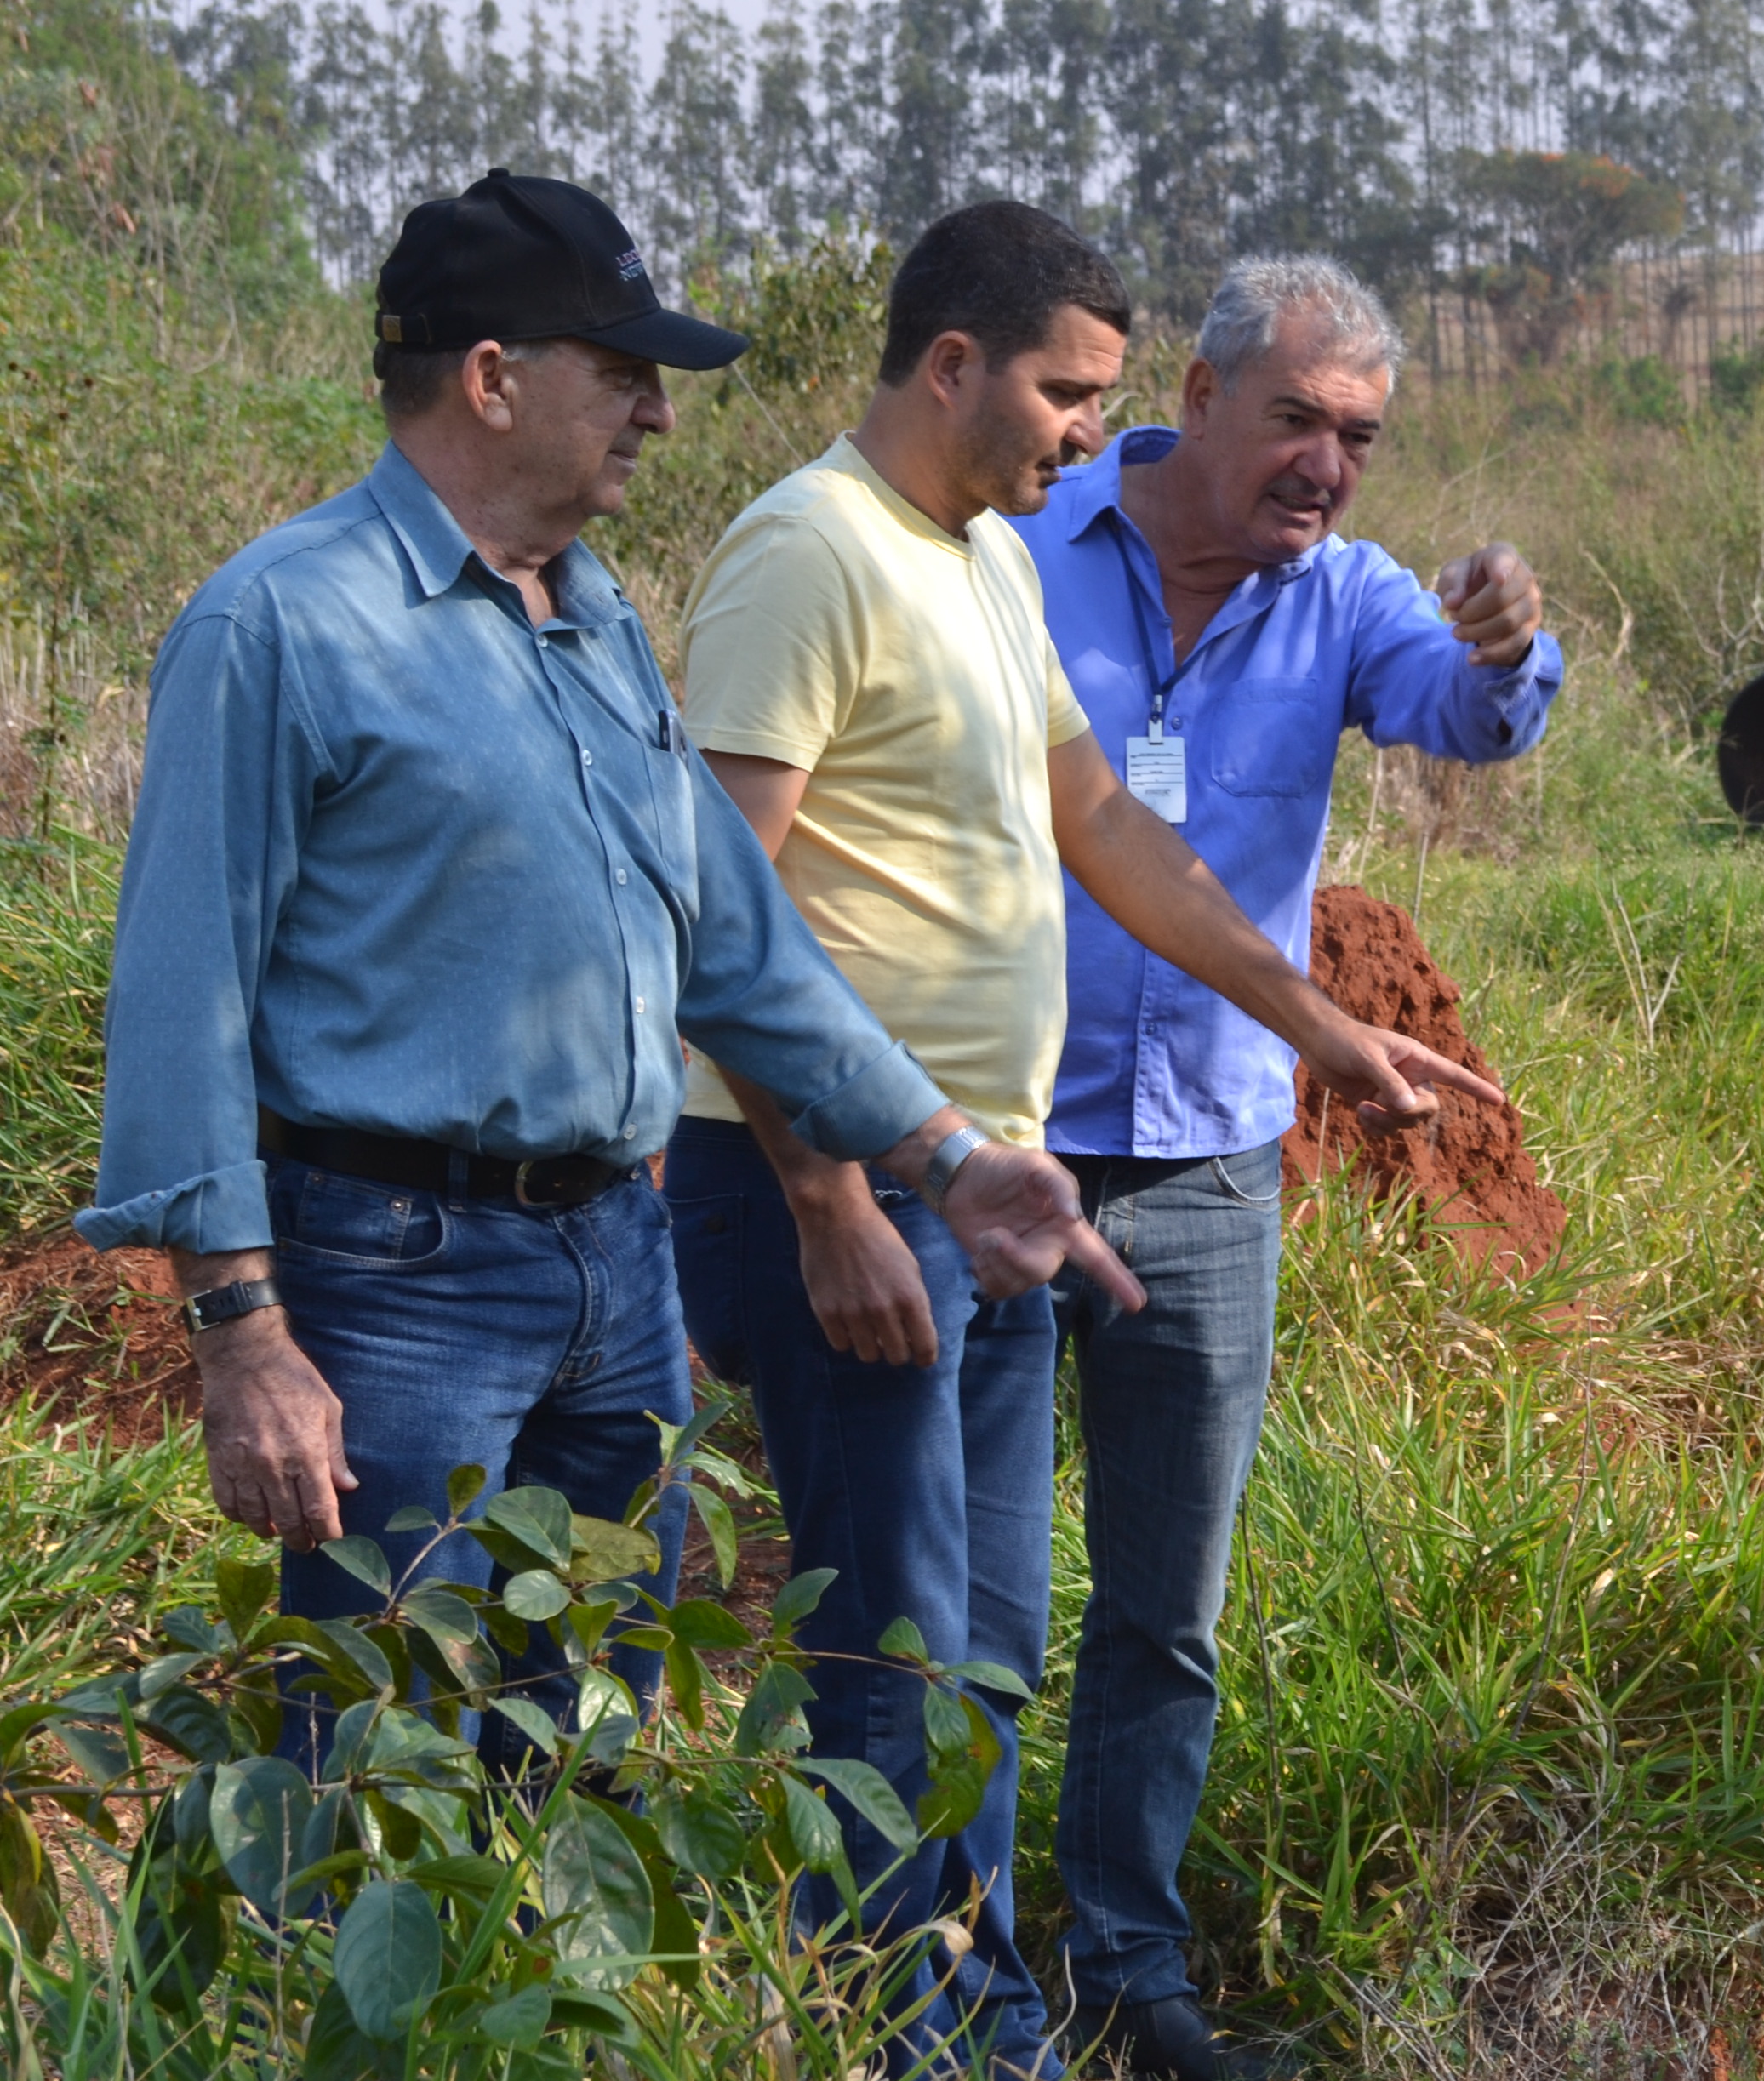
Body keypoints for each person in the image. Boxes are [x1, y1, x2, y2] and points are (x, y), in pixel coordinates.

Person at [78, 168, 1127, 1703]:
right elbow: (182, 996)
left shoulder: (595, 615)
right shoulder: (284, 626)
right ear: (494, 381)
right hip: (398, 1281)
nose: (658, 413)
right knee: (379, 1747)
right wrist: (242, 1331)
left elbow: (738, 939)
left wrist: (951, 1161)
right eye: (625, 374)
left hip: (615, 1270)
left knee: (589, 1730)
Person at [670, 205, 1499, 2081]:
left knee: (978, 1646)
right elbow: (724, 912)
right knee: (900, 1650)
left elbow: (1103, 825)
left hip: (975, 1186)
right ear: (951, 363)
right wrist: (823, 1196)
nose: (1079, 438)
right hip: (852, 1190)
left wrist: (1319, 1028)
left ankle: (985, 2040)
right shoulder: (808, 553)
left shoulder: (973, 561)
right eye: (1066, 394)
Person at [1014, 253, 1559, 2081]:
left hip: (1209, 1173)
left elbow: (1463, 715)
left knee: (1166, 1609)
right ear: (1202, 391)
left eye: (1365, 440)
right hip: (996, 1149)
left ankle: (1128, 1974)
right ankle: (933, 1966)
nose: (1330, 467)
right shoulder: (1021, 548)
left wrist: (1506, 646)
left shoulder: (1348, 597)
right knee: (977, 1599)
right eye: (1301, 422)